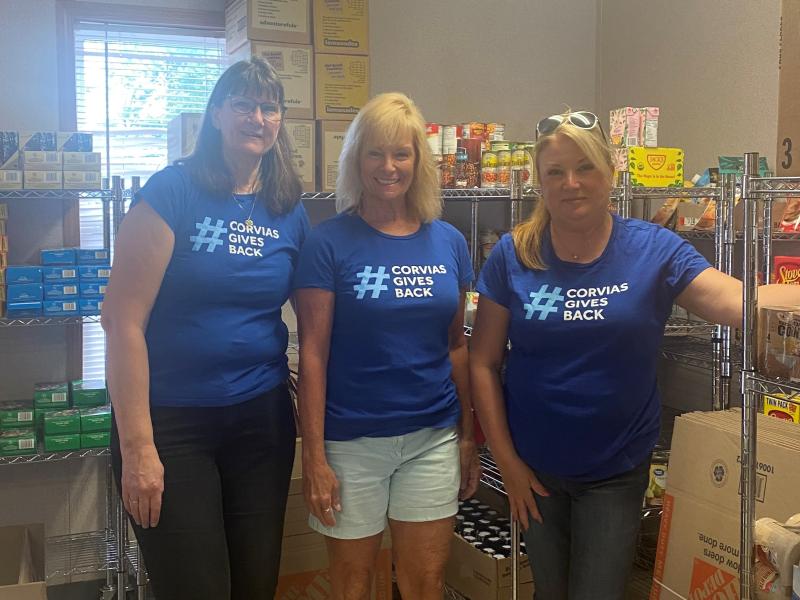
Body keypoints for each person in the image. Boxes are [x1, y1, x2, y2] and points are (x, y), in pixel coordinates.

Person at [468, 110, 800, 600]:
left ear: (610, 173)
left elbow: (739, 301)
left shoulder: (654, 249)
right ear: (539, 181)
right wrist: (508, 463)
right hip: (533, 467)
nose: (571, 183)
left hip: (615, 468)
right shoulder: (515, 253)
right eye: (555, 172)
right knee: (550, 592)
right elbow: (482, 362)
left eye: (585, 168)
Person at [102, 57, 308, 600]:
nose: (257, 118)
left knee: (255, 585)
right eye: (242, 104)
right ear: (216, 113)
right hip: (172, 425)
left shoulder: (287, 208)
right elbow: (121, 320)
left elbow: (317, 316)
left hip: (260, 423)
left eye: (269, 108)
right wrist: (138, 446)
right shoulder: (173, 192)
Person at [293, 92, 481, 600]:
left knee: (425, 584)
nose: (388, 166)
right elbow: (312, 353)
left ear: (419, 160)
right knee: (353, 587)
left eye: (401, 153)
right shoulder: (328, 242)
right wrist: (314, 456)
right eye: (375, 153)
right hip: (352, 443)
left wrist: (468, 435)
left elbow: (456, 347)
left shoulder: (448, 242)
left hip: (432, 439)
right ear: (357, 159)